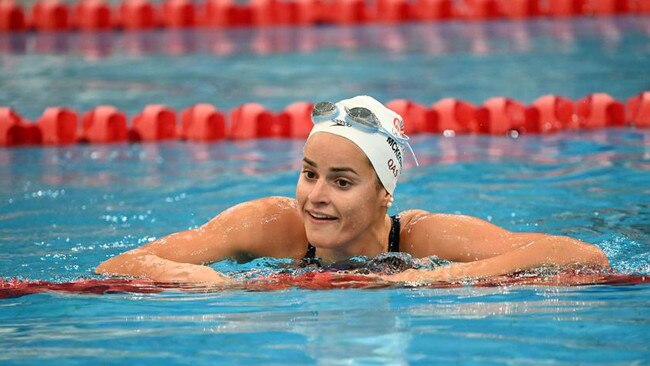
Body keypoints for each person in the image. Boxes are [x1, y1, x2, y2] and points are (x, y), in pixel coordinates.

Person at [96, 95, 610, 285]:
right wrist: (210, 282)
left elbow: (582, 255)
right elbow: (120, 264)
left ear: (384, 193)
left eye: (342, 182)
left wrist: (435, 279)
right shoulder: (272, 225)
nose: (315, 195)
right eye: (309, 172)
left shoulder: (420, 239)